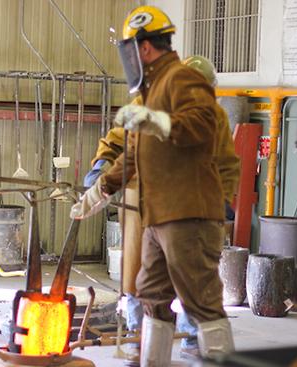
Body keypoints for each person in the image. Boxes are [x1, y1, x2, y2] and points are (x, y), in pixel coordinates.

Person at [72, 5, 234, 366]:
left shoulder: (181, 79)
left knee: (200, 299)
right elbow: (129, 152)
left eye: (130, 49)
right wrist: (99, 191)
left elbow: (201, 126)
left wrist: (155, 120)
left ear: (144, 48)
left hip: (188, 215)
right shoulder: (150, 91)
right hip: (158, 216)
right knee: (152, 294)